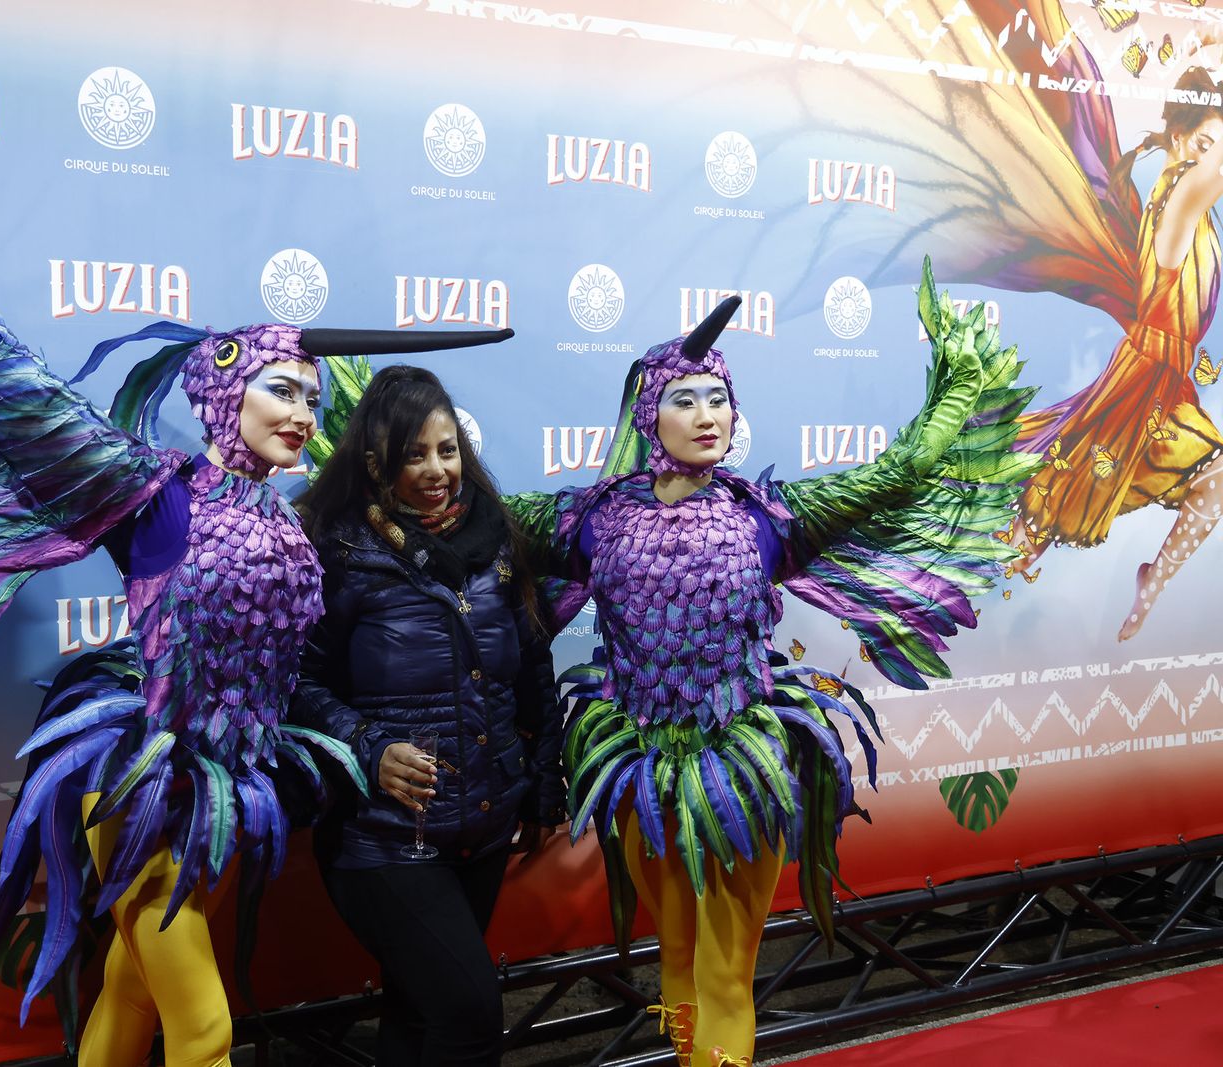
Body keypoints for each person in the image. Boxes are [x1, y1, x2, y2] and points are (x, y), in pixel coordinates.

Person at [0, 126, 513, 1066]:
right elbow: (27, 398)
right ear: (224, 396)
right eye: (282, 391)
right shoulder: (157, 495)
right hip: (149, 785)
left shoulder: (288, 518)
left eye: (315, 401)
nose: (302, 414)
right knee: (202, 1025)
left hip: (232, 786)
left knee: (130, 986)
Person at [535, 274, 1035, 1066]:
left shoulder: (764, 517)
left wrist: (960, 384)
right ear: (647, 415)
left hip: (740, 774)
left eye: (718, 400)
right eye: (686, 400)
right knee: (676, 960)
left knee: (726, 969)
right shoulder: (593, 519)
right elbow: (470, 519)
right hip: (641, 776)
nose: (708, 417)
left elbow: (901, 471)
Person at [291, 365, 565, 1067]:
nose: (438, 469)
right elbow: (293, 680)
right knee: (470, 1018)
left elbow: (532, 665)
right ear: (377, 458)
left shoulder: (497, 538)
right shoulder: (338, 549)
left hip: (483, 823)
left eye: (447, 449)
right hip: (382, 835)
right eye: (416, 453)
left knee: (418, 1015)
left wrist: (542, 780)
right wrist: (368, 745)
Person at [1011, 65, 1223, 640]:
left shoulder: (1192, 207)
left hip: (1166, 383)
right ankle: (946, 587)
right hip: (1142, 383)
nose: (1214, 160)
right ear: (1179, 142)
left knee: (1208, 481)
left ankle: (1151, 579)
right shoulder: (1179, 199)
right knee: (1049, 504)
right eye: (1205, 144)